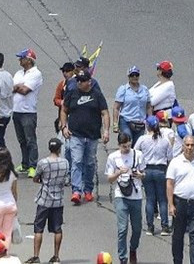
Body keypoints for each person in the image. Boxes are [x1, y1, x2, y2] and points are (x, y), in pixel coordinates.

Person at [60, 69, 110, 204]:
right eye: (78, 81)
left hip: (92, 135)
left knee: (89, 163)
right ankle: (76, 191)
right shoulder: (72, 93)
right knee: (76, 162)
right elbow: (64, 110)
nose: (79, 83)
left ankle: (88, 189)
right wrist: (64, 126)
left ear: (89, 82)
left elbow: (105, 112)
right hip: (76, 135)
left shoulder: (97, 94)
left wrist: (106, 131)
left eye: (82, 81)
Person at [166, 136, 194, 264]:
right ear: (183, 146)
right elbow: (169, 183)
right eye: (187, 145)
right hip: (180, 203)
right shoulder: (175, 162)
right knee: (178, 236)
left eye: (192, 145)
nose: (190, 148)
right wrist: (171, 204)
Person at [106, 133, 145, 264]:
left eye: (128, 146)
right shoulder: (113, 157)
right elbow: (110, 179)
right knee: (122, 228)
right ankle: (123, 257)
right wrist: (118, 173)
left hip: (136, 195)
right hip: (120, 195)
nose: (126, 149)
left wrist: (140, 175)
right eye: (124, 147)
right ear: (119, 145)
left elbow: (144, 173)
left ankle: (133, 249)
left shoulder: (138, 154)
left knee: (137, 228)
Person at [31, 137, 68, 263]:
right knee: (57, 228)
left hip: (44, 199)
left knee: (38, 228)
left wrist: (43, 180)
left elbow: (36, 178)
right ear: (59, 149)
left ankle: (36, 256)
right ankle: (56, 256)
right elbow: (65, 180)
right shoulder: (65, 163)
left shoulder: (43, 163)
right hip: (58, 200)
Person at [135, 115, 172, 236]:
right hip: (160, 170)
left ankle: (150, 227)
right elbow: (170, 157)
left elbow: (135, 152)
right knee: (162, 199)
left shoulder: (143, 139)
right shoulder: (165, 140)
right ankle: (165, 227)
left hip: (147, 170)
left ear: (147, 126)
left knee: (150, 199)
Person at [12, 49, 43, 175]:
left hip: (28, 111)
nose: (20, 60)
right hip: (16, 110)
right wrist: (18, 86)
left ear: (29, 60)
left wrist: (18, 87)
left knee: (30, 139)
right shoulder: (19, 73)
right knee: (22, 140)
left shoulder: (36, 73)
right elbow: (12, 88)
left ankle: (33, 165)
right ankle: (24, 163)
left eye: (22, 58)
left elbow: (25, 90)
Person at [113, 66, 150, 146]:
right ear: (128, 77)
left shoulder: (145, 90)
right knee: (127, 141)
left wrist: (150, 121)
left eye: (136, 75)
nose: (134, 77)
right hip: (126, 121)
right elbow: (116, 107)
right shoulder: (123, 89)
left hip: (140, 122)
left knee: (137, 146)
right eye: (132, 75)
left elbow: (149, 106)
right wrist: (115, 124)